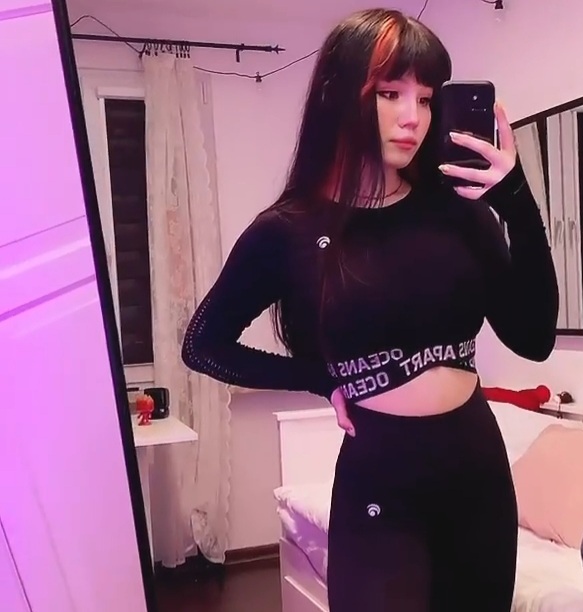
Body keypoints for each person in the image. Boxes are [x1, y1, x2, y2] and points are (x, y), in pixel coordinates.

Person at [181, 7, 558, 612]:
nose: (413, 117)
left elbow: (534, 339)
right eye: (390, 93)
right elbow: (204, 344)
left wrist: (515, 200)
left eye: (426, 98)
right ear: (339, 96)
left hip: (476, 469)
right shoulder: (288, 228)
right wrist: (319, 378)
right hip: (381, 476)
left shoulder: (459, 212)